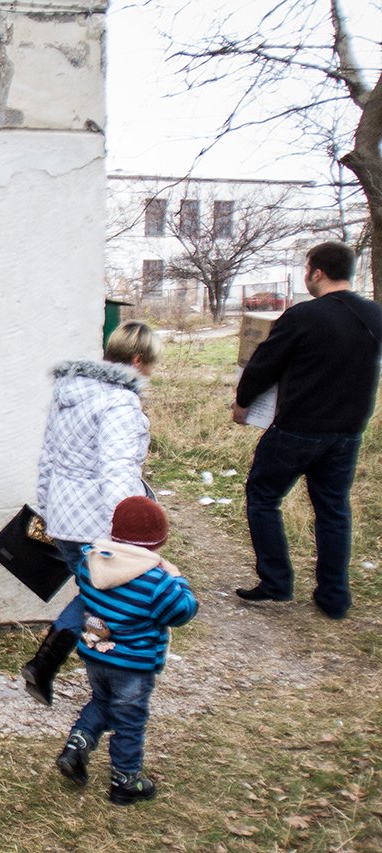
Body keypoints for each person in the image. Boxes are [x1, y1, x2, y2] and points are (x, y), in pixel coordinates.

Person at [232, 240, 382, 620]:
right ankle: (334, 596)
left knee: (263, 495)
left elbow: (264, 363)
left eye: (307, 270)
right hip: (348, 432)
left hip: (298, 429)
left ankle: (276, 581)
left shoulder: (304, 316)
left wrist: (243, 401)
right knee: (333, 510)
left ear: (316, 272)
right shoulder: (375, 316)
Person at [21, 320, 163, 705]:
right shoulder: (119, 401)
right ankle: (52, 666)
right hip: (98, 521)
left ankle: (48, 666)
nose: (150, 372)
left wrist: (49, 510)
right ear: (137, 360)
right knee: (102, 594)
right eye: (150, 364)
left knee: (92, 591)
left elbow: (48, 459)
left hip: (66, 517)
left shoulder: (70, 392)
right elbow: (117, 469)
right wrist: (130, 528)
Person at [54, 496, 197, 805]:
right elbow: (182, 611)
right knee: (129, 721)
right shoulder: (156, 581)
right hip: (133, 664)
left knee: (102, 701)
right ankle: (125, 780)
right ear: (156, 544)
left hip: (96, 654)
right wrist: (178, 579)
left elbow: (84, 589)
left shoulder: (91, 562)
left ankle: (77, 744)